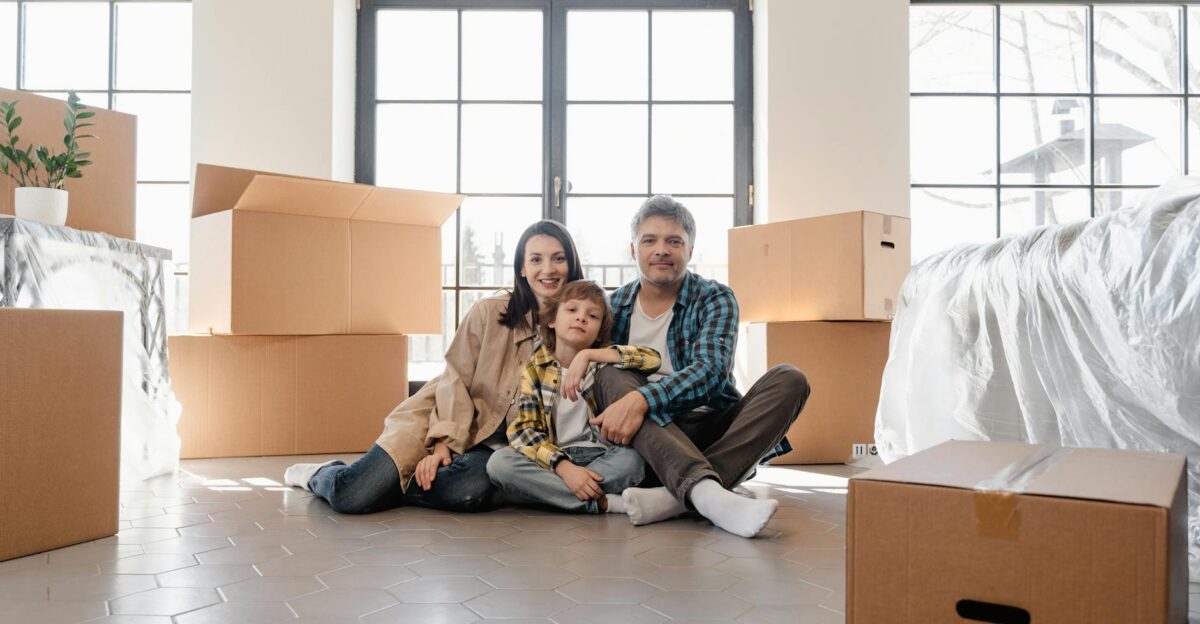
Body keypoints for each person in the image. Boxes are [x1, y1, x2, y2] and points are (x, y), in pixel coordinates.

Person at [283, 220, 586, 513]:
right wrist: (443, 445)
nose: (548, 269)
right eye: (536, 259)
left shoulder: (582, 324)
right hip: (437, 418)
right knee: (353, 495)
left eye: (558, 259)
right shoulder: (489, 313)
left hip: (490, 448)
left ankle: (393, 486)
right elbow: (456, 379)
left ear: (571, 264)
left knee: (469, 492)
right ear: (522, 268)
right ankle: (321, 474)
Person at [591, 196, 811, 538]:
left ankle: (677, 496)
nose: (661, 250)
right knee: (609, 371)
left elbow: (710, 373)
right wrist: (635, 402)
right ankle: (709, 494)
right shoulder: (612, 306)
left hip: (710, 424)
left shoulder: (714, 297)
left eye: (674, 241)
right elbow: (601, 385)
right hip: (649, 436)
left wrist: (643, 399)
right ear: (633, 250)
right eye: (649, 240)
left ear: (690, 251)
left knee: (790, 379)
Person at [486, 280, 660, 514]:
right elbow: (523, 430)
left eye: (593, 316)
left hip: (601, 454)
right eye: (572, 310)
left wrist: (589, 355)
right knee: (500, 464)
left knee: (633, 462)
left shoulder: (601, 362)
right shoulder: (535, 367)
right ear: (552, 320)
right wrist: (565, 468)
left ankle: (549, 495)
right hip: (554, 457)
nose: (581, 318)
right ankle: (604, 502)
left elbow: (653, 359)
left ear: (599, 332)